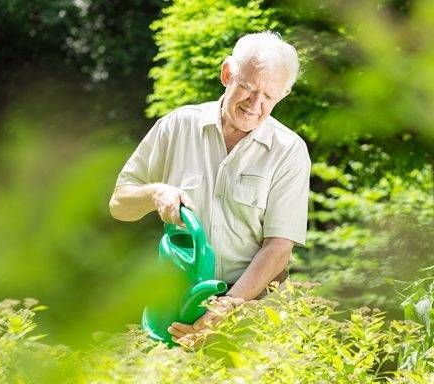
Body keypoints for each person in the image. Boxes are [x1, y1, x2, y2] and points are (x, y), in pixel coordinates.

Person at [108, 32, 310, 345]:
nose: (255, 105)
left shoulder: (288, 151)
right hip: (177, 304)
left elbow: (278, 249)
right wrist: (154, 193)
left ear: (282, 95)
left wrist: (225, 308)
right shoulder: (177, 126)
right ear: (227, 73)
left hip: (253, 311)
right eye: (248, 87)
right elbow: (119, 203)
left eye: (269, 97)